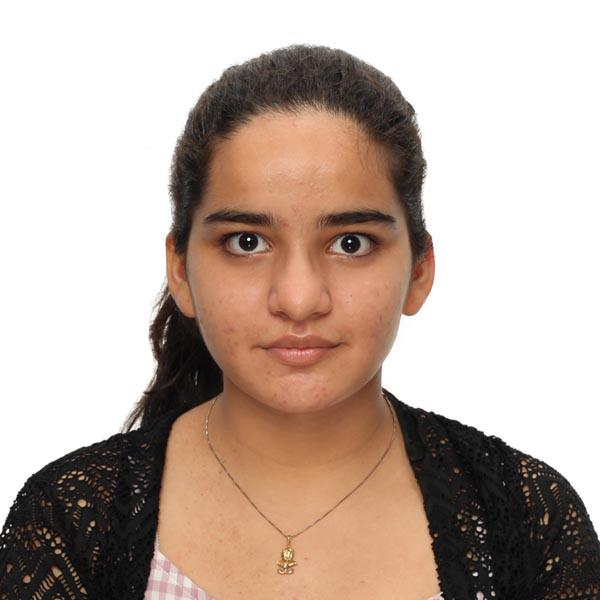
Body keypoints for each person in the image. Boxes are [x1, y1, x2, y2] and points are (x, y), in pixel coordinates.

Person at [1, 44, 599, 600]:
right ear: (180, 270)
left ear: (419, 270)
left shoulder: (527, 517)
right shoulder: (69, 521)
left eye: (350, 243)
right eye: (246, 241)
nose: (298, 298)